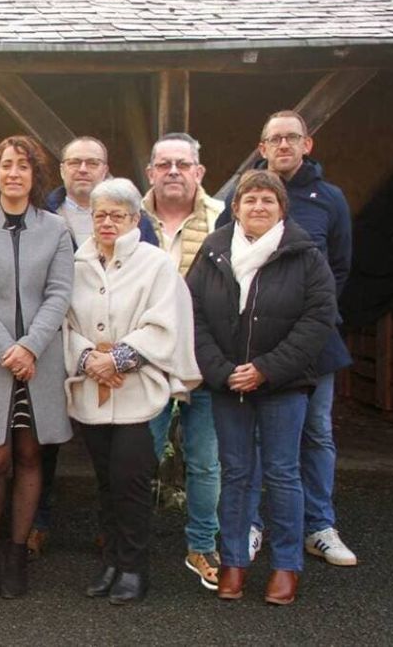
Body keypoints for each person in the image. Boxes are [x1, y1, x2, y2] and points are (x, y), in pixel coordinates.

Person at [190, 169, 336, 605]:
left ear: (281, 208)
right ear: (235, 208)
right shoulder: (214, 249)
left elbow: (317, 321)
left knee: (283, 473)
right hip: (227, 383)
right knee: (235, 474)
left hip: (283, 384)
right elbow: (193, 314)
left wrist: (266, 368)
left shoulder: (305, 254)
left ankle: (286, 566)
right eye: (249, 199)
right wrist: (220, 369)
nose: (258, 206)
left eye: (267, 200)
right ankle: (234, 562)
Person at [218, 111, 357, 567]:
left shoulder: (329, 199)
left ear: (307, 144)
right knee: (256, 442)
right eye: (274, 138)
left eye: (291, 138)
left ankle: (318, 526)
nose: (283, 145)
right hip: (251, 348)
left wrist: (306, 323)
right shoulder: (240, 199)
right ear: (261, 147)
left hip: (312, 346)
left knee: (315, 433)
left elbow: (338, 267)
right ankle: (254, 526)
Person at [64, 178, 201, 605]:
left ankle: (134, 568)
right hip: (91, 390)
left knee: (132, 481)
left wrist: (119, 359)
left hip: (139, 393)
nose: (107, 223)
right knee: (106, 483)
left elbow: (166, 323)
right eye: (99, 214)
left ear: (135, 219)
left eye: (117, 215)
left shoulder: (156, 264)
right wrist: (87, 358)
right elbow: (63, 322)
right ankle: (112, 560)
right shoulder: (75, 264)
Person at [0, 135, 73, 598]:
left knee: (29, 455)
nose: (14, 174)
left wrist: (31, 347)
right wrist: (8, 348)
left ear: (35, 175)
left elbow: (60, 293)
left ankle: (18, 553)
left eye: (23, 166)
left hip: (39, 360)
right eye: (6, 166)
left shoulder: (57, 229)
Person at [30, 136, 159, 556]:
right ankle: (37, 521)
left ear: (106, 169)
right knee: (44, 442)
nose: (82, 169)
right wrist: (83, 354)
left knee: (115, 461)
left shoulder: (141, 230)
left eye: (92, 162)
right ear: (62, 169)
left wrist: (115, 358)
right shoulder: (42, 215)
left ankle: (114, 534)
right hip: (56, 345)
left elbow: (151, 292)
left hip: (121, 367)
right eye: (74, 162)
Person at [140, 132, 225, 590]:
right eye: (164, 164)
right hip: (148, 359)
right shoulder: (131, 218)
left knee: (205, 460)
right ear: (150, 172)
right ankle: (129, 541)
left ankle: (201, 545)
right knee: (140, 454)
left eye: (182, 163)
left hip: (204, 357)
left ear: (199, 172)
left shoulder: (220, 219)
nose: (173, 171)